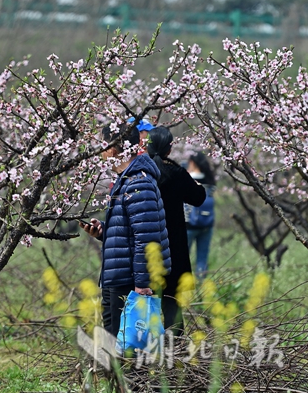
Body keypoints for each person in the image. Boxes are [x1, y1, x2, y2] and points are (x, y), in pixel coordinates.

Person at [81, 124, 171, 337]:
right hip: (118, 274)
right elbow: (131, 230)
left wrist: (142, 284)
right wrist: (104, 233)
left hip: (129, 279)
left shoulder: (139, 183)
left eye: (103, 146)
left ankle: (128, 372)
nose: (101, 153)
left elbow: (147, 238)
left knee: (128, 346)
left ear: (112, 149)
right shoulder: (126, 181)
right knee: (115, 341)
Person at [146, 127, 206, 335]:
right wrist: (197, 184)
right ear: (168, 150)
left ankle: (142, 355)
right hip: (173, 250)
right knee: (172, 307)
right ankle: (174, 356)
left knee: (143, 308)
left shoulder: (141, 172)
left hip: (145, 249)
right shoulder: (177, 173)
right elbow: (198, 198)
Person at [185, 151, 217, 280]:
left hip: (189, 225)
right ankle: (202, 287)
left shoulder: (187, 179)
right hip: (207, 225)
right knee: (202, 259)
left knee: (182, 260)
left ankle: (183, 289)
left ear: (192, 163)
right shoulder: (210, 181)